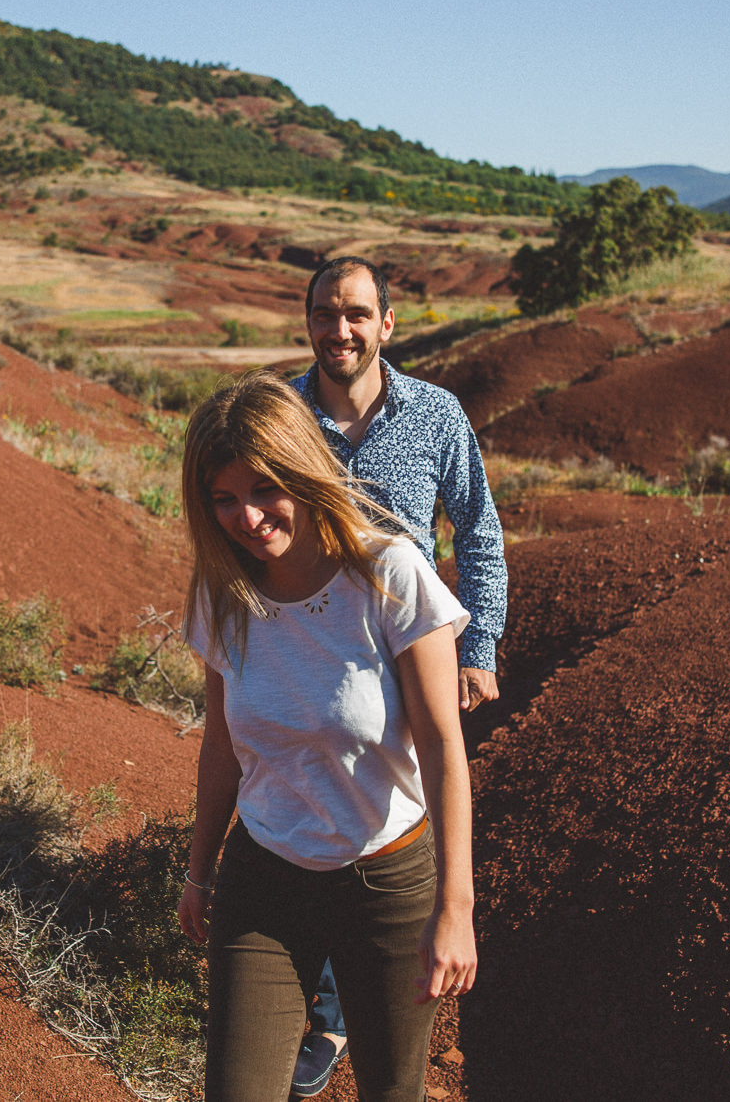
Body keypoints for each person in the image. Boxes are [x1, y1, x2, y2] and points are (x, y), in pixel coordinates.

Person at [177, 373, 477, 1102]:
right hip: (266, 875)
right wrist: (199, 868)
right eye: (223, 498)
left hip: (388, 881)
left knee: (389, 1090)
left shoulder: (389, 575)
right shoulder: (225, 593)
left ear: (303, 469)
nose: (246, 516)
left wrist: (456, 908)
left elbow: (442, 746)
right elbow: (221, 746)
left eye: (264, 488)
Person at [287, 255, 508, 1096]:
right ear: (307, 321)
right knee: (305, 814)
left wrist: (479, 644)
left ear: (387, 324)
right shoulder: (280, 412)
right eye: (323, 313)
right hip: (304, 652)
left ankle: (366, 1004)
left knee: (394, 827)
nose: (337, 329)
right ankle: (316, 998)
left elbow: (477, 533)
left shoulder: (437, 415)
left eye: (354, 313)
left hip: (410, 659)